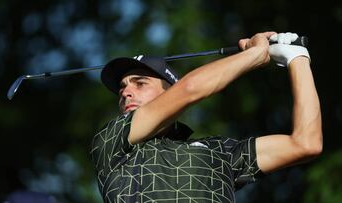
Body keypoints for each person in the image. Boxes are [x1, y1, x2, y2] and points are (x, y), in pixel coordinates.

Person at [90, 32, 323, 202]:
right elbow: (191, 90)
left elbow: (305, 143)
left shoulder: (218, 151)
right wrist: (255, 54)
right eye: (122, 88)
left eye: (140, 83)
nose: (125, 92)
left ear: (170, 92)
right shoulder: (112, 142)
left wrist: (297, 59)